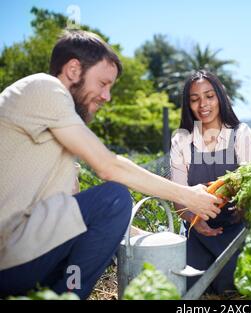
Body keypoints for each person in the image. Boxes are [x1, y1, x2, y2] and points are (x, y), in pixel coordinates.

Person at [0, 30, 222, 299]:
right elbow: (108, 166)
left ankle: (60, 293)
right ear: (73, 70)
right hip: (8, 257)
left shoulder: (57, 135)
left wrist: (140, 237)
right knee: (114, 197)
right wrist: (188, 196)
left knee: (107, 215)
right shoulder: (45, 88)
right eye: (103, 83)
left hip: (19, 257)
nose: (107, 96)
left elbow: (74, 212)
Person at [170, 70, 251, 295]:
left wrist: (240, 207)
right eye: (195, 99)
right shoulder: (181, 139)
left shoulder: (240, 134)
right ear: (188, 104)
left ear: (220, 97)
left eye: (209, 96)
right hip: (197, 228)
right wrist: (193, 219)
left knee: (231, 284)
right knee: (189, 283)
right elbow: (178, 196)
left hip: (236, 227)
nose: (203, 104)